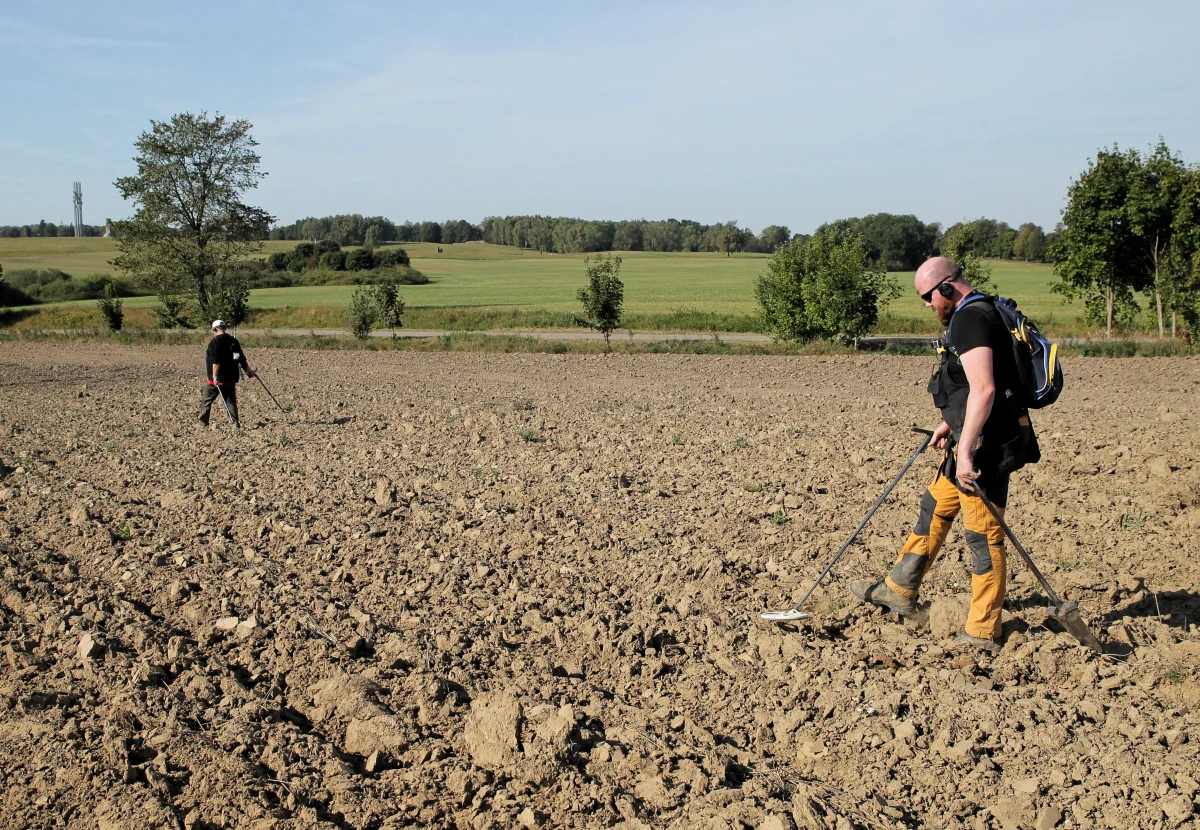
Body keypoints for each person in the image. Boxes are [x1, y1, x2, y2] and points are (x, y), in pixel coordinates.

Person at [850, 257, 1038, 653]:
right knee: (934, 506)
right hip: (971, 437)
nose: (927, 304)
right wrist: (950, 425)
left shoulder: (969, 319)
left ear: (947, 287)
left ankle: (983, 632)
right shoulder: (984, 310)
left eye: (928, 296)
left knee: (983, 537)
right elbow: (979, 385)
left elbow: (985, 389)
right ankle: (900, 588)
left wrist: (965, 449)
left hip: (985, 450)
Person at [198, 320, 255, 429]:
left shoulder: (215, 342)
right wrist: (249, 372)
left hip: (217, 379)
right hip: (231, 377)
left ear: (215, 329)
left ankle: (202, 422)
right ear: (225, 328)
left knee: (206, 400)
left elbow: (216, 361)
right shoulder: (233, 341)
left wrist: (215, 376)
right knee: (230, 401)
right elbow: (241, 359)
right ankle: (235, 423)